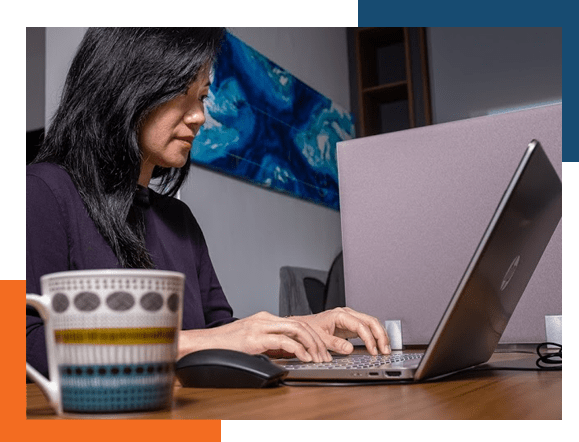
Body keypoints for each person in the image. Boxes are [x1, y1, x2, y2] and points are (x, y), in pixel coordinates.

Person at [26, 27, 390, 378]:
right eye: (180, 93)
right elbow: (23, 342)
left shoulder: (179, 220)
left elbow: (221, 333)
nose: (199, 116)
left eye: (200, 96)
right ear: (124, 85)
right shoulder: (41, 191)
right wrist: (196, 342)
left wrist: (298, 328)